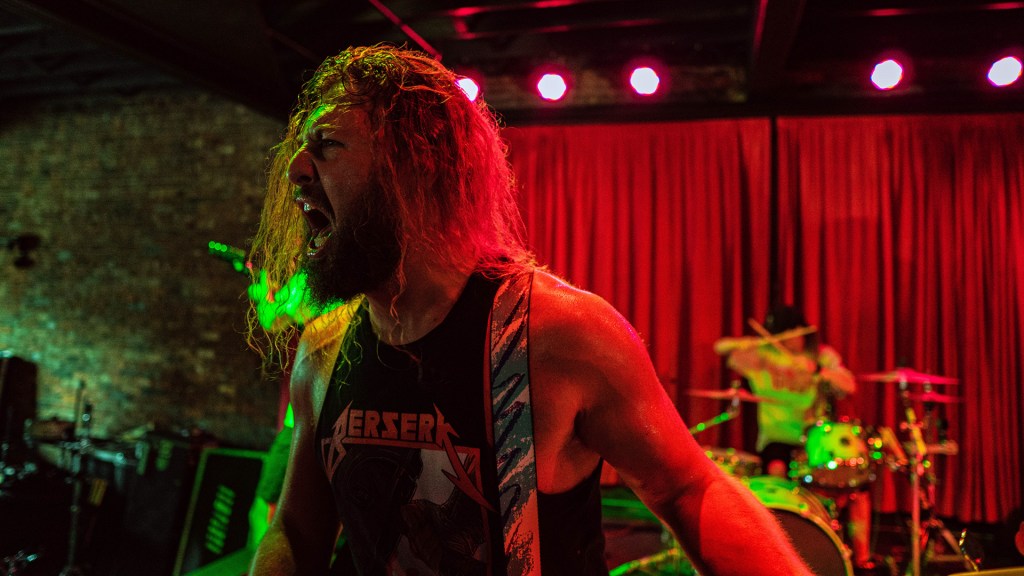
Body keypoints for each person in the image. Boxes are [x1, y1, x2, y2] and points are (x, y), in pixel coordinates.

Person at [245, 44, 812, 576]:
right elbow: (296, 531)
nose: (296, 169)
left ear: (416, 167)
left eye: (327, 145)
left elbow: (688, 491)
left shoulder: (559, 332)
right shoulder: (325, 349)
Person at [713, 305, 877, 571]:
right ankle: (778, 551)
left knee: (856, 483)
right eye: (785, 336)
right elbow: (721, 347)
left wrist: (821, 372)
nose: (792, 341)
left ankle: (861, 559)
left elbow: (849, 386)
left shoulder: (820, 355)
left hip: (813, 439)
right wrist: (758, 343)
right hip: (775, 439)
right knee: (776, 476)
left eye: (795, 334)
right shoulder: (763, 356)